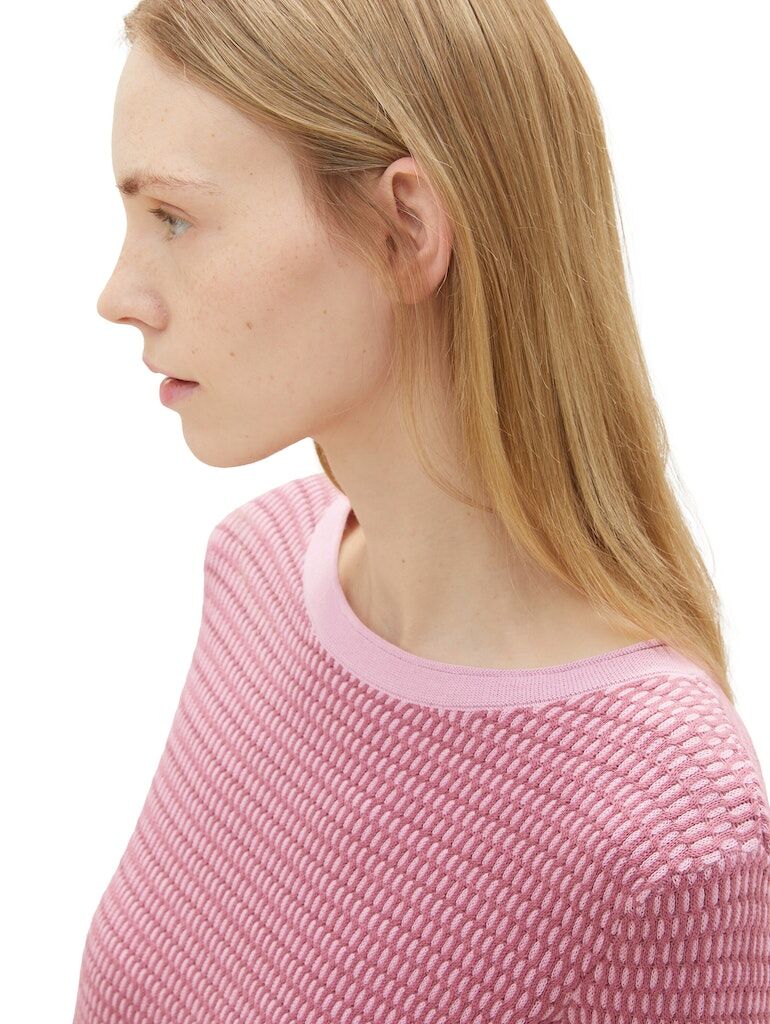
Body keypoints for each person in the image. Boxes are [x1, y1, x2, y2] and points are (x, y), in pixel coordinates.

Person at [75, 2, 770, 1021]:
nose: (118, 293)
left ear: (405, 229)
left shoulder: (666, 827)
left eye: (172, 218)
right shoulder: (257, 567)